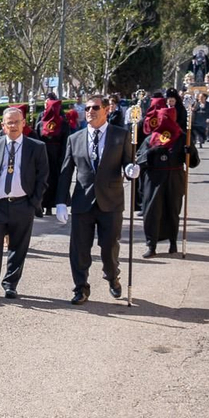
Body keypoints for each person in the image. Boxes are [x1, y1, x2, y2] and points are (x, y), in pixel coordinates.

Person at [55, 96, 134, 303]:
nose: (90, 111)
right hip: (83, 201)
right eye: (88, 108)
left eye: (95, 107)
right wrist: (61, 201)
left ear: (106, 110)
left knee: (109, 247)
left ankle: (112, 276)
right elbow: (65, 172)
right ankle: (80, 288)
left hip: (111, 201)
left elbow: (128, 162)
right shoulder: (75, 139)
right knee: (79, 249)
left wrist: (130, 170)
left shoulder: (121, 135)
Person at [0, 107, 48, 300]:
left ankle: (10, 285)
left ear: (23, 123)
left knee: (18, 248)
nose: (13, 126)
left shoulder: (36, 147)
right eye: (9, 122)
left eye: (16, 122)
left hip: (23, 204)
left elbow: (43, 177)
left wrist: (34, 202)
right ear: (3, 126)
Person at [138, 96, 183, 256]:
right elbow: (139, 159)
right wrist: (151, 152)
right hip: (154, 179)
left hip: (174, 178)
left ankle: (173, 242)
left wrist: (190, 152)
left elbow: (193, 162)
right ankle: (151, 245)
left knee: (172, 211)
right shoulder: (150, 139)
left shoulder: (182, 137)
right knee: (152, 212)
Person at [35, 95, 70, 216]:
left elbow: (66, 141)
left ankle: (50, 205)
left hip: (57, 156)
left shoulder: (63, 123)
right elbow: (37, 139)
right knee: (42, 180)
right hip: (44, 155)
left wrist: (64, 156)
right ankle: (40, 204)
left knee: (54, 181)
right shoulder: (41, 123)